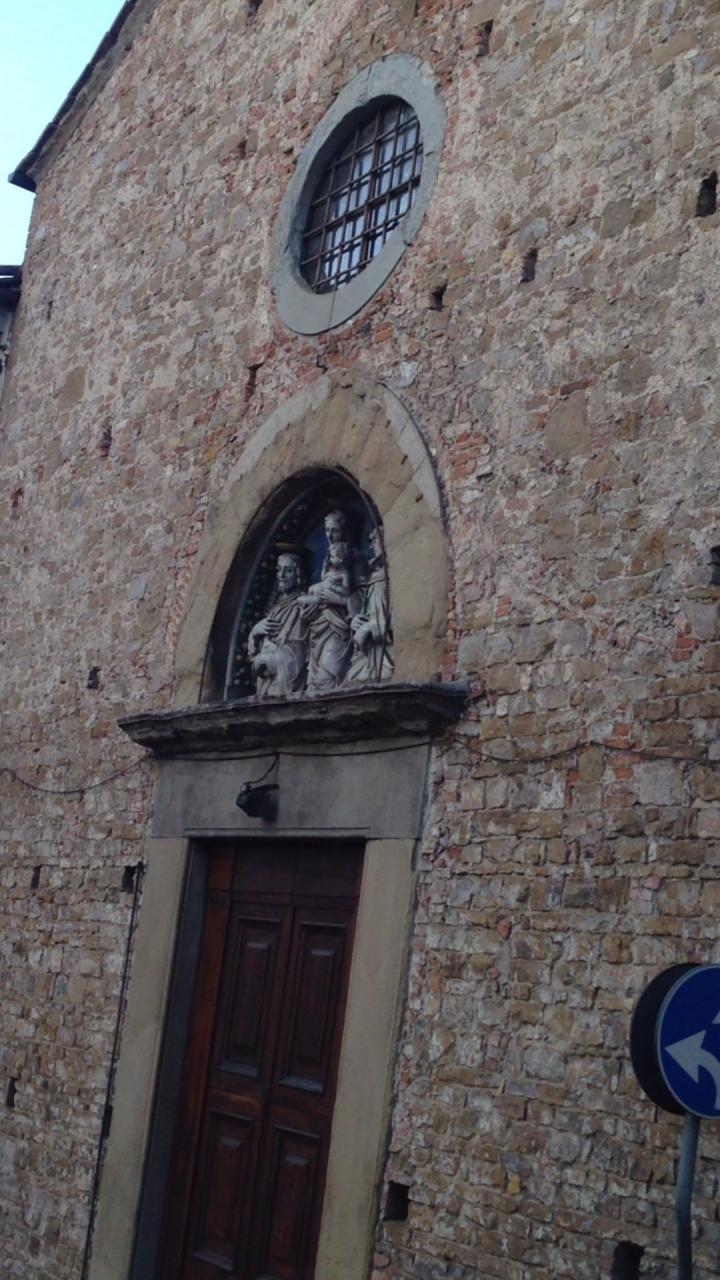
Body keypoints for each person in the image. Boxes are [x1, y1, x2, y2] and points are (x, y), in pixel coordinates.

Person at [299, 540, 358, 691]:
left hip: (337, 623)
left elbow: (347, 593)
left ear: (343, 558)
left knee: (326, 675)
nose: (333, 559)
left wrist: (332, 593)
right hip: (320, 624)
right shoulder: (326, 573)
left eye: (336, 556)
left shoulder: (345, 574)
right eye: (331, 556)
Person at [247, 552, 308, 697]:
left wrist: (268, 659)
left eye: (288, 571)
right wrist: (254, 633)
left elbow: (300, 651)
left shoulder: (301, 605)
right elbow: (254, 656)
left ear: (298, 575)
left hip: (285, 681)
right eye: (279, 570)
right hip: (266, 683)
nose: (282, 575)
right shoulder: (274, 608)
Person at [348, 524, 394, 683]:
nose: (371, 545)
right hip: (370, 654)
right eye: (370, 540)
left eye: (375, 539)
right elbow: (368, 611)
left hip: (387, 654)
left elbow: (405, 619)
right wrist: (356, 623)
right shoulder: (373, 578)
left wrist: (369, 628)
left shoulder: (395, 575)